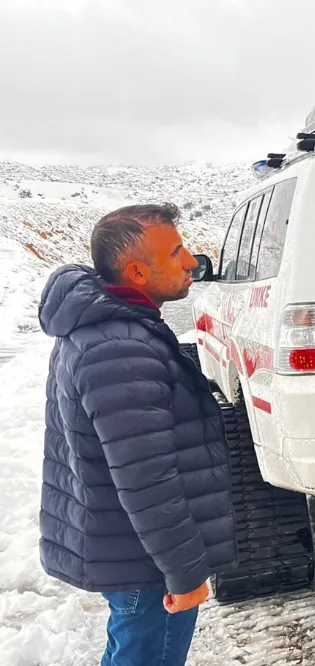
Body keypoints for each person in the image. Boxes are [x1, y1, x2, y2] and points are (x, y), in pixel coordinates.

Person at [37, 203, 237, 666]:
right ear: (138, 273)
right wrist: (184, 573)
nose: (192, 261)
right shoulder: (120, 349)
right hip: (145, 562)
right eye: (176, 252)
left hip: (131, 550)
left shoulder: (108, 330)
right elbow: (147, 479)